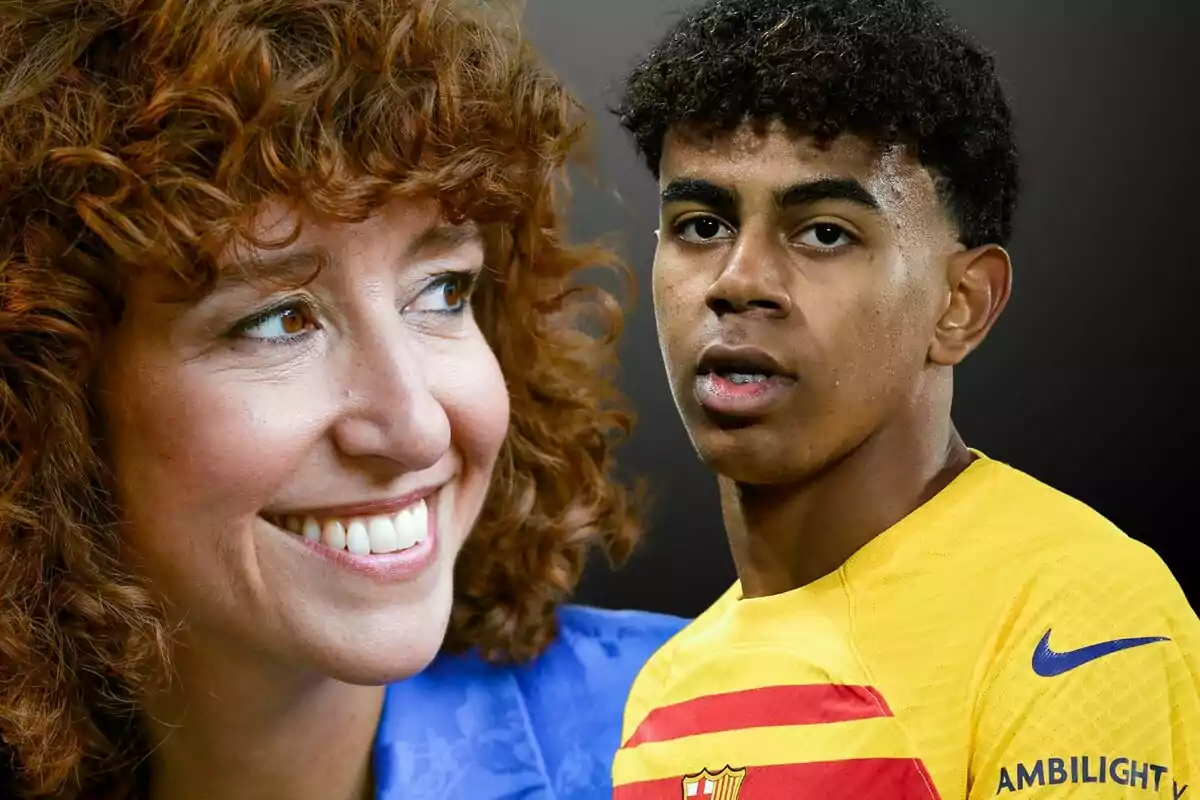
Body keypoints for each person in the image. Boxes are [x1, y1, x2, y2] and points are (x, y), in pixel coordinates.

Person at [0, 1, 687, 798]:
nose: (415, 426)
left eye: (442, 289)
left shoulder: (713, 736)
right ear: (44, 397)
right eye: (279, 320)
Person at [609, 0, 1200, 797]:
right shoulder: (664, 694)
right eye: (702, 223)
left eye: (824, 232)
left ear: (961, 304)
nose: (737, 281)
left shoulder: (1076, 611)